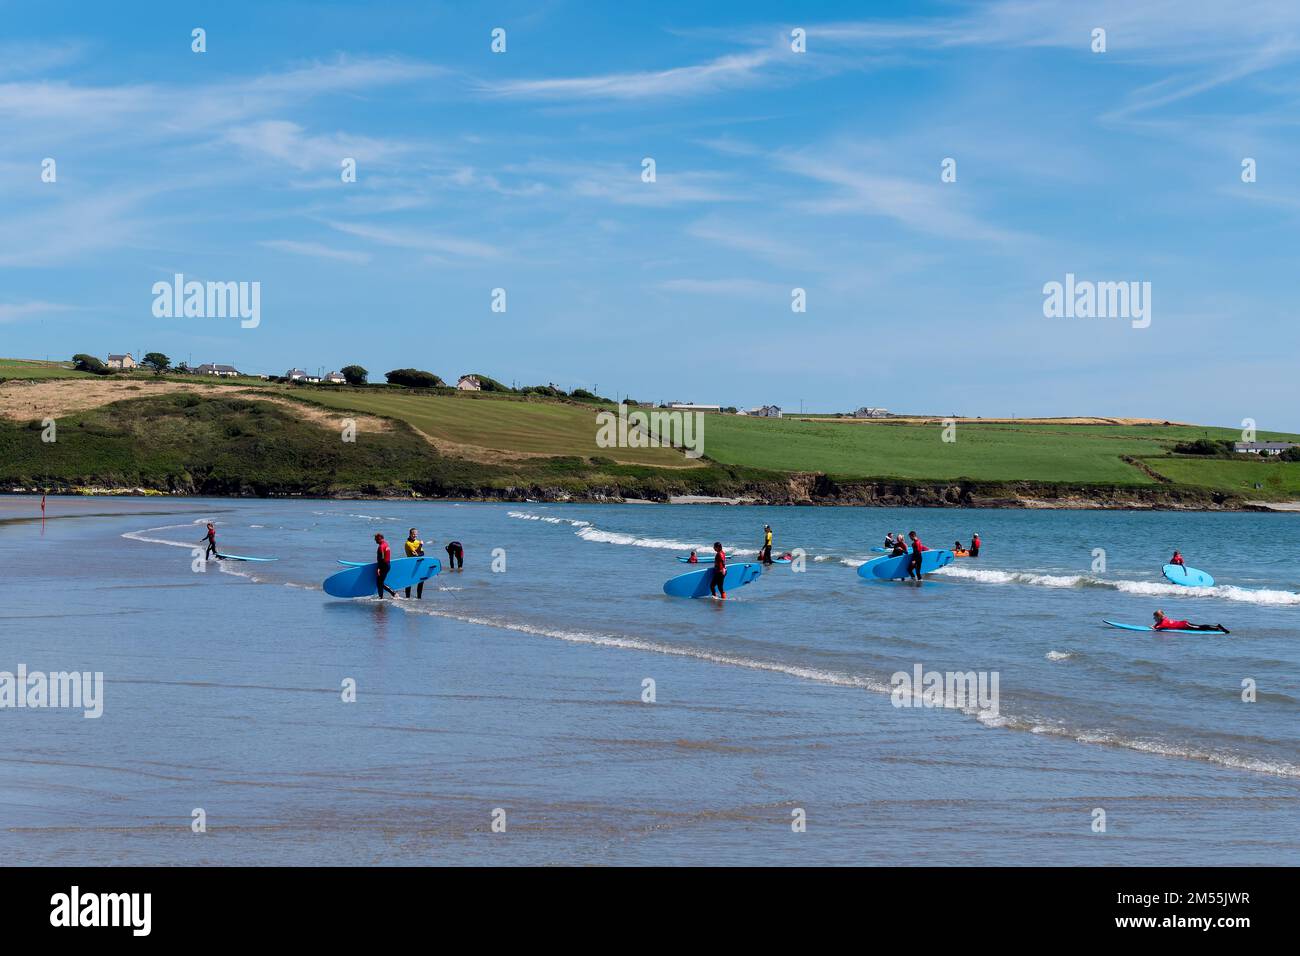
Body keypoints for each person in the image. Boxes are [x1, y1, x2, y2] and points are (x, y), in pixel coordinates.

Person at [1152, 610, 1227, 633]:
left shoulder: (1164, 622)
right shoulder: (1163, 620)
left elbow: (1158, 627)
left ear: (1159, 617)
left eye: (1155, 617)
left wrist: (1153, 627)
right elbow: (1158, 625)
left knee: (1200, 627)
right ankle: (1216, 628)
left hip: (1185, 625)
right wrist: (1154, 626)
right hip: (1184, 624)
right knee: (1199, 627)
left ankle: (1217, 627)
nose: (1154, 618)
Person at [404, 528, 427, 599]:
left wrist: (419, 548)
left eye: (416, 534)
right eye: (413, 534)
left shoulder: (417, 542)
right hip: (410, 564)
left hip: (419, 563)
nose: (415, 535)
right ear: (410, 534)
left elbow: (422, 553)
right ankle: (407, 597)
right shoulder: (408, 543)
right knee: (409, 581)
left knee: (421, 580)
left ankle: (419, 597)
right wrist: (421, 546)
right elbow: (415, 554)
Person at [374, 533, 398, 598]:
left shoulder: (381, 547)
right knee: (380, 582)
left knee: (379, 583)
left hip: (383, 566)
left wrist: (379, 568)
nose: (375, 540)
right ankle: (381, 597)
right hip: (387, 565)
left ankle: (393, 593)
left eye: (375, 539)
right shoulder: (386, 544)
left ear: (379, 539)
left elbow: (381, 558)